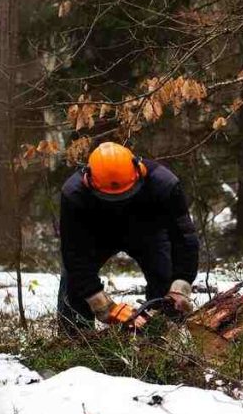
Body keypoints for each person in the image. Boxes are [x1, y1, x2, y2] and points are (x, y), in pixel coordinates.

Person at [57, 142, 200, 334]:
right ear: (88, 180)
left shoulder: (164, 184)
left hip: (148, 233)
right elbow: (74, 254)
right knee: (73, 285)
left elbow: (184, 238)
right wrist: (102, 305)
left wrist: (182, 283)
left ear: (138, 170)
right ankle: (74, 339)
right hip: (96, 236)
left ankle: (162, 335)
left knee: (166, 278)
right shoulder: (74, 194)